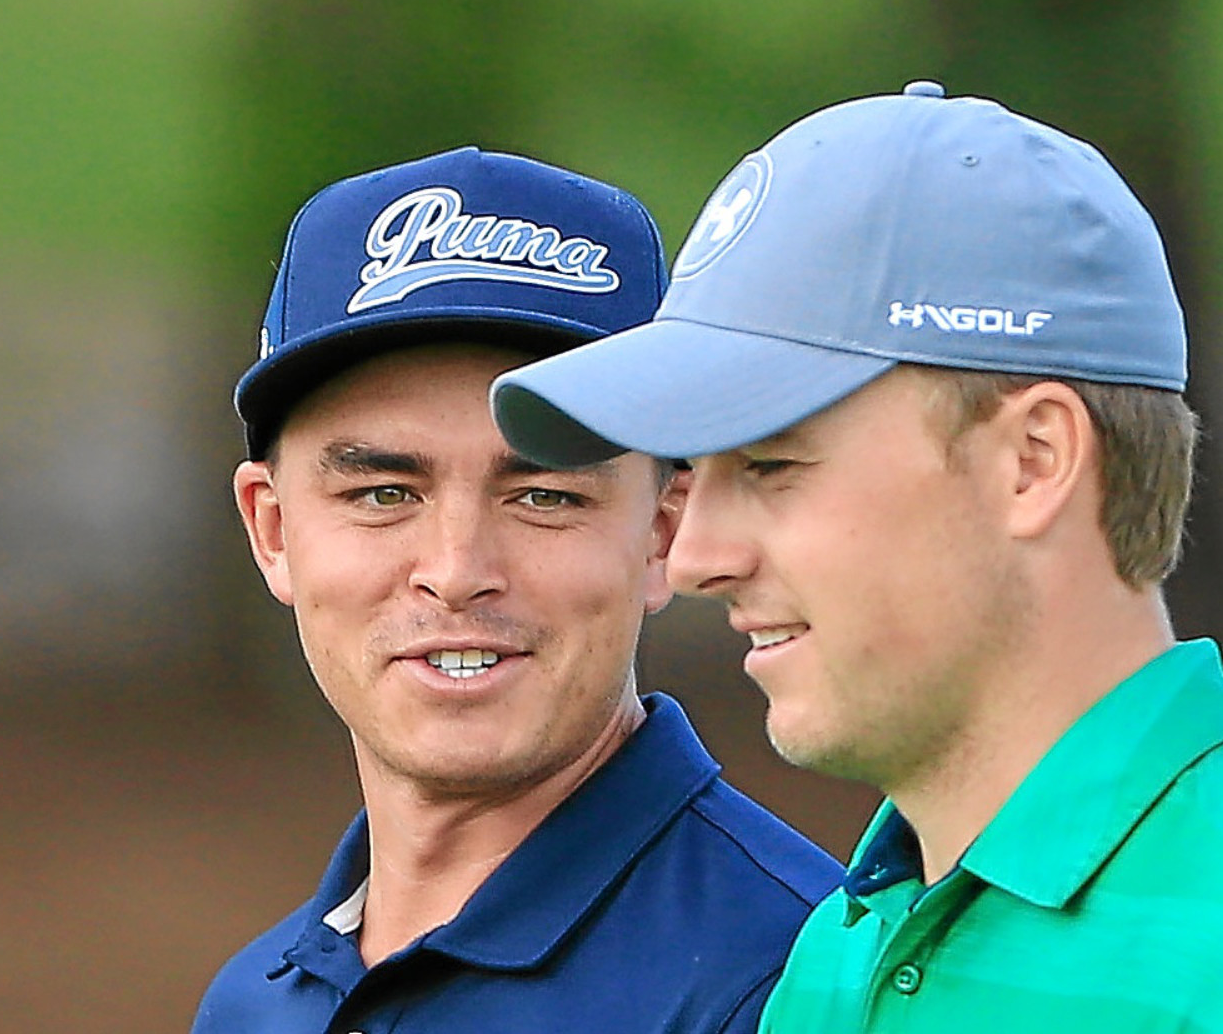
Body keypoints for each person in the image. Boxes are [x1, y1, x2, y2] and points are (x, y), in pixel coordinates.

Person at [489, 82, 1223, 1031]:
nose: (701, 555)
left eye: (770, 466)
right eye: (695, 470)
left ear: (1032, 462)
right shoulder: (842, 948)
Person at [191, 146, 841, 1033]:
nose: (457, 571)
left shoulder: (799, 988)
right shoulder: (255, 1005)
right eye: (384, 494)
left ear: (664, 533)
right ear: (273, 531)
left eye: (544, 496)